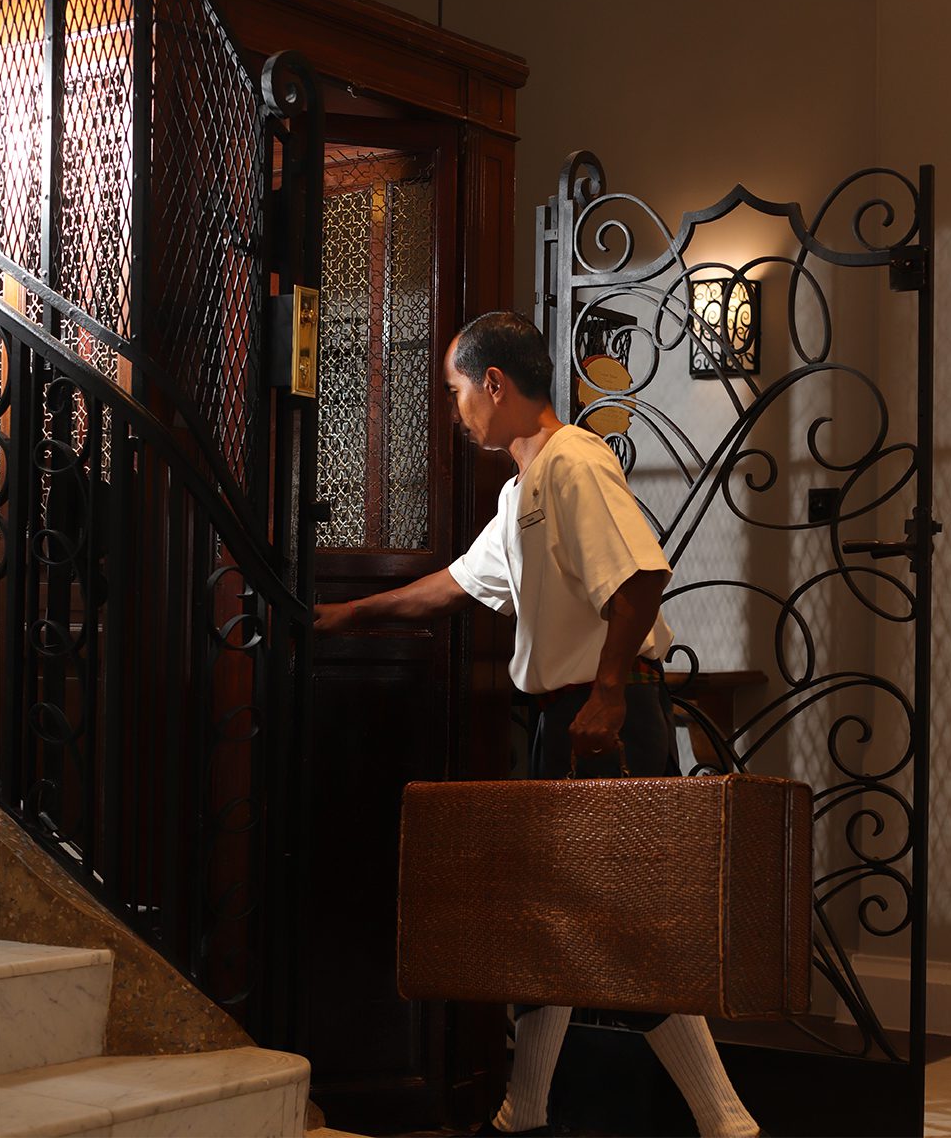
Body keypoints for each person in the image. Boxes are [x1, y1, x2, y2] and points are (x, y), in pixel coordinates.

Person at [314, 311, 765, 1138]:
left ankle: (727, 1123)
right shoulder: (520, 490)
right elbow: (452, 585)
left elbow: (640, 580)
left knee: (625, 930)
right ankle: (522, 1113)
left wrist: (608, 692)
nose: (457, 412)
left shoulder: (574, 464)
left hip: (602, 722)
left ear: (495, 385)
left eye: (458, 393)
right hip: (569, 719)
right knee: (549, 922)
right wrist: (347, 617)